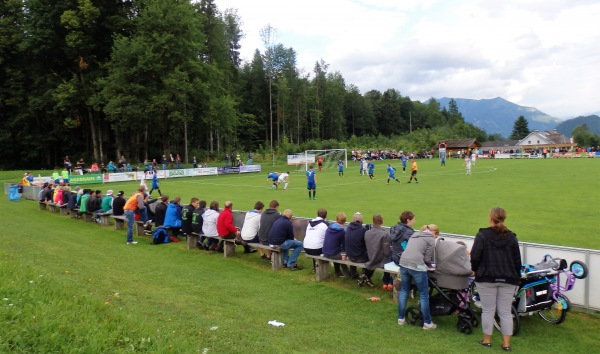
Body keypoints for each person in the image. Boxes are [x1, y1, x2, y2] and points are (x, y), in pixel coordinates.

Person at [471, 207, 521, 351]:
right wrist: (515, 275)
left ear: (490, 217)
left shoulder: (482, 235)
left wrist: (475, 270)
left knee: (488, 310)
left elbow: (475, 256)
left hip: (487, 277)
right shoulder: (511, 237)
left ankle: (487, 340)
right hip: (508, 278)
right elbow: (517, 261)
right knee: (505, 311)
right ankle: (506, 344)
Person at [397, 224, 440, 330]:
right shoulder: (430, 239)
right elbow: (427, 259)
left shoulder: (414, 235)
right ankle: (427, 323)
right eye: (436, 236)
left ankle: (401, 318)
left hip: (403, 263)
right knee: (424, 294)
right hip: (416, 266)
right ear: (434, 233)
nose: (435, 238)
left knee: (404, 291)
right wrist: (430, 266)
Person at [359, 214, 391, 288]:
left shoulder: (367, 233)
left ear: (372, 222)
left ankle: (365, 275)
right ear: (382, 222)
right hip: (379, 260)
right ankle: (388, 282)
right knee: (391, 257)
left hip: (370, 256)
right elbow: (387, 252)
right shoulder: (384, 234)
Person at [322, 212, 350, 277]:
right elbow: (344, 245)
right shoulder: (342, 231)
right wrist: (344, 254)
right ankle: (348, 274)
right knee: (344, 256)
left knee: (337, 252)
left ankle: (338, 272)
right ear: (344, 221)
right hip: (331, 253)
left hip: (325, 252)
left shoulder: (329, 227)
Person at [345, 212, 368, 279]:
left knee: (354, 248)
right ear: (362, 221)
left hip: (350, 255)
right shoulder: (362, 230)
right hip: (358, 257)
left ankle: (353, 273)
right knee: (372, 256)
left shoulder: (348, 228)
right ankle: (364, 274)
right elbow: (366, 243)